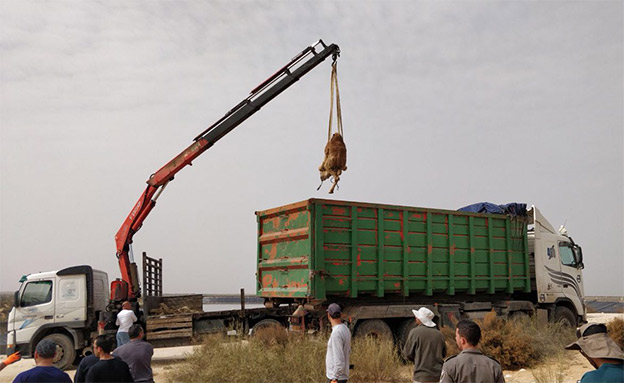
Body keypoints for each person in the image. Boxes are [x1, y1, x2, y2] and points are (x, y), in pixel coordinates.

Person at [440, 319, 504, 383]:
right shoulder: (494, 366)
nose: (455, 338)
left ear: (462, 340)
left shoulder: (450, 365)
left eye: (456, 336)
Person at [401, 307, 446, 383]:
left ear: (421, 319)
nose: (416, 318)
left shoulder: (415, 332)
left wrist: (417, 360)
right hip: (438, 376)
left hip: (421, 376)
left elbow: (407, 354)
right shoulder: (439, 334)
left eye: (417, 317)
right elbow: (444, 354)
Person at [325, 303, 351, 383]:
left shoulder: (336, 333)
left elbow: (339, 360)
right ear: (341, 314)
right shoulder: (345, 329)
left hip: (336, 378)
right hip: (341, 377)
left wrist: (334, 378)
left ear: (328, 315)